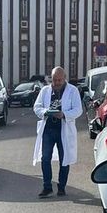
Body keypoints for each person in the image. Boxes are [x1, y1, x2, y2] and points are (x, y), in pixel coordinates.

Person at [32, 66, 83, 198]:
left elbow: (78, 110)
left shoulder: (73, 91)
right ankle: (47, 187)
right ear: (51, 79)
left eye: (60, 80)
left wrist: (64, 114)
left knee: (64, 159)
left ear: (64, 78)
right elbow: (37, 107)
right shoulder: (45, 91)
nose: (57, 83)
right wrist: (45, 112)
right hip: (48, 129)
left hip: (64, 129)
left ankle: (61, 187)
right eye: (55, 80)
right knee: (45, 158)